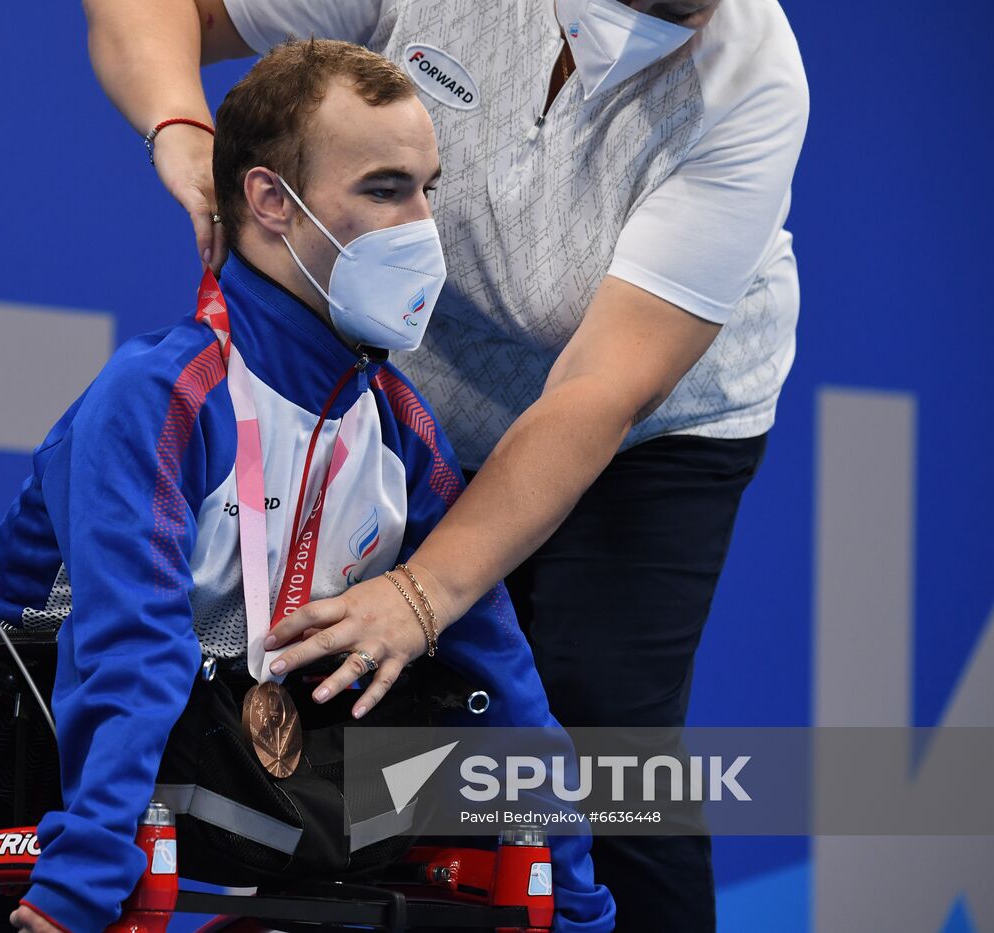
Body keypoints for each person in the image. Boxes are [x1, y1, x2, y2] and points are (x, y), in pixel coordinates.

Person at [0, 39, 614, 933]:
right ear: (271, 200)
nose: (423, 226)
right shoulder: (162, 395)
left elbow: (499, 672)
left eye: (431, 188)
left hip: (125, 774)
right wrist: (89, 866)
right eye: (385, 189)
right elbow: (133, 647)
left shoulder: (399, 423)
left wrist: (578, 897)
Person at [83, 0, 807, 930]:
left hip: (647, 428)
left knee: (600, 733)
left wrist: (424, 591)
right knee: (365, 727)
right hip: (420, 391)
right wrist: (182, 129)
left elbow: (596, 390)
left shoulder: (753, 81)